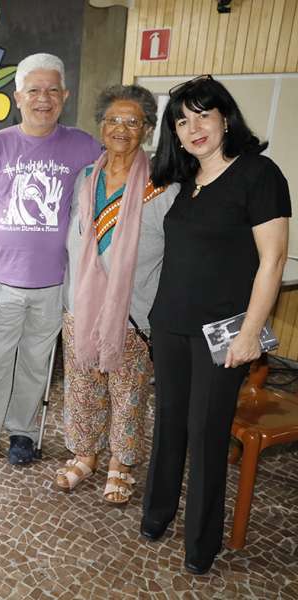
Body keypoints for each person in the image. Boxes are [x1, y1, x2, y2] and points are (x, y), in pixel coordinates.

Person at [140, 75, 290, 575]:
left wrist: (251, 333)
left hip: (222, 335)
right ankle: (157, 515)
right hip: (170, 325)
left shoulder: (259, 174)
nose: (194, 127)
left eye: (204, 114)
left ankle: (201, 545)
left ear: (226, 117)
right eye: (182, 121)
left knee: (207, 434)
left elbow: (272, 262)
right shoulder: (186, 184)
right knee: (168, 426)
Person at [0, 53, 101, 467]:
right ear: (18, 96)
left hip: (55, 283)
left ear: (65, 95)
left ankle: (23, 432)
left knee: (37, 364)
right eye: (34, 90)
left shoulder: (84, 145)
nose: (44, 98)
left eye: (53, 90)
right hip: (3, 282)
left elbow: (115, 183)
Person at [56, 85, 179, 504]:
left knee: (129, 393)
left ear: (146, 129)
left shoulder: (163, 188)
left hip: (133, 311)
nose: (121, 129)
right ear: (101, 126)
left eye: (132, 121)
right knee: (81, 387)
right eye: (113, 120)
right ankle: (86, 455)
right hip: (81, 307)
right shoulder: (85, 178)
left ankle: (121, 464)